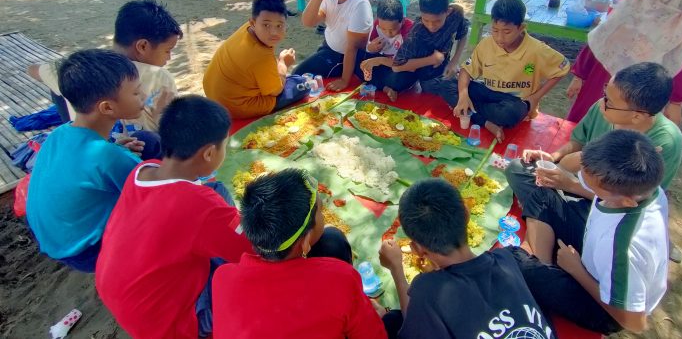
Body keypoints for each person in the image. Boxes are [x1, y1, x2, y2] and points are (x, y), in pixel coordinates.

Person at [96, 96, 253, 339]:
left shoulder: (144, 170)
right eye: (225, 145)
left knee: (217, 189)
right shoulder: (198, 205)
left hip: (126, 299)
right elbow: (252, 248)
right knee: (262, 272)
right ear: (210, 153)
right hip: (173, 324)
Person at [507, 62, 682, 262]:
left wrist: (569, 184)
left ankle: (554, 236)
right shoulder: (604, 110)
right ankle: (554, 226)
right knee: (518, 168)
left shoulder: (665, 141)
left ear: (636, 116)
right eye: (605, 93)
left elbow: (632, 201)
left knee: (543, 199)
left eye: (608, 101)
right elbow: (578, 142)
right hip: (578, 183)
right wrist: (553, 158)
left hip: (608, 211)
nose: (601, 103)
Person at [513, 130, 668, 334]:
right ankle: (544, 270)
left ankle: (542, 276)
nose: (582, 180)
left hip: (605, 308)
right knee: (543, 196)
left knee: (515, 263)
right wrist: (566, 182)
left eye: (589, 183)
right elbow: (596, 193)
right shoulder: (648, 189)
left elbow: (635, 324)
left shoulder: (622, 249)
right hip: (591, 253)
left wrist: (577, 269)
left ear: (625, 201)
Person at [212, 169, 387, 338]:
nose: (322, 213)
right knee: (333, 239)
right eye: (320, 211)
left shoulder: (222, 278)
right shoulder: (341, 279)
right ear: (304, 243)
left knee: (331, 239)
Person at [378, 178, 557, 339]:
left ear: (416, 249)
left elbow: (412, 325)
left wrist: (396, 268)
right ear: (466, 213)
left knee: (390, 322)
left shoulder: (427, 289)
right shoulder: (508, 258)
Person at [25, 49, 144, 272]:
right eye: (137, 92)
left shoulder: (60, 134)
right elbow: (163, 193)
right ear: (107, 107)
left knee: (144, 142)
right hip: (87, 252)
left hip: (54, 240)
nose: (144, 95)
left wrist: (113, 151)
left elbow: (81, 167)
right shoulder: (108, 157)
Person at [29, 0, 182, 159]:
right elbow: (176, 139)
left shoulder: (77, 69)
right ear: (142, 46)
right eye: (168, 50)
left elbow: (33, 70)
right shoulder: (158, 76)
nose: (169, 57)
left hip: (90, 147)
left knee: (59, 88)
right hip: (139, 157)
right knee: (151, 140)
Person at [424, 0, 570, 142]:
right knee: (444, 84)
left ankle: (473, 113)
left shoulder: (537, 49)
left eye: (507, 32)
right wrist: (463, 95)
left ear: (521, 28)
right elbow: (466, 70)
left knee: (510, 114)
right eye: (495, 30)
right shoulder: (487, 44)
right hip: (487, 92)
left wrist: (535, 98)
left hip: (514, 101)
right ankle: (485, 121)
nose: (499, 38)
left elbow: (562, 69)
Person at [203, 0, 309, 119]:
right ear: (253, 23)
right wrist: (283, 64)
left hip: (214, 96)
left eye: (279, 25)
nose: (274, 32)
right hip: (235, 107)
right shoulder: (261, 56)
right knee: (302, 83)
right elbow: (276, 91)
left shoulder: (247, 29)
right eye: (266, 25)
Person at [298, 0, 373, 91]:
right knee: (298, 75)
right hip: (327, 47)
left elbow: (353, 48)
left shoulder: (360, 5)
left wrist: (344, 81)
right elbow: (308, 22)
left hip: (343, 56)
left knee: (300, 76)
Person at [386, 0, 469, 99]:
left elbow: (463, 34)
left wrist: (454, 61)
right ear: (421, 14)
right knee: (453, 93)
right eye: (426, 20)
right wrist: (431, 60)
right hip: (428, 78)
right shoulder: (416, 34)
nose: (431, 26)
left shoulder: (455, 15)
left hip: (447, 67)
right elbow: (397, 66)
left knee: (469, 88)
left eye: (437, 21)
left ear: (448, 12)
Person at [359, 0, 414, 99]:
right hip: (385, 68)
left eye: (392, 29)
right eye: (383, 29)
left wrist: (380, 60)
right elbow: (369, 49)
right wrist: (370, 48)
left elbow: (408, 65)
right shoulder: (377, 25)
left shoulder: (410, 30)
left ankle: (380, 85)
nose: (388, 33)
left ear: (402, 21)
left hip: (400, 70)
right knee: (359, 60)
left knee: (399, 79)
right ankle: (385, 88)